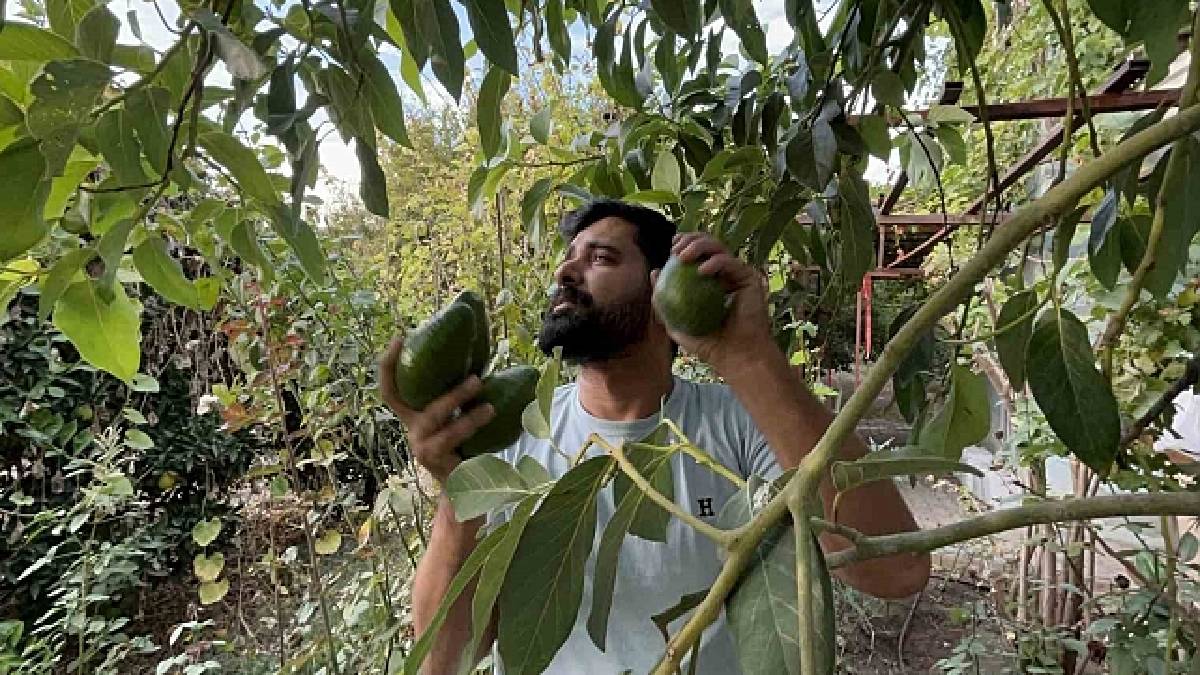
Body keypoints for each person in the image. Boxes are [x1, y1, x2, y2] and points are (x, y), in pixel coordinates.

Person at [379, 199, 930, 674]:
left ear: (662, 287)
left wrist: (748, 355)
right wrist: (459, 495)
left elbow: (894, 568)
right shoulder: (515, 430)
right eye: (568, 259)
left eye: (600, 257)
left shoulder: (740, 423)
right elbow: (445, 658)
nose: (566, 273)